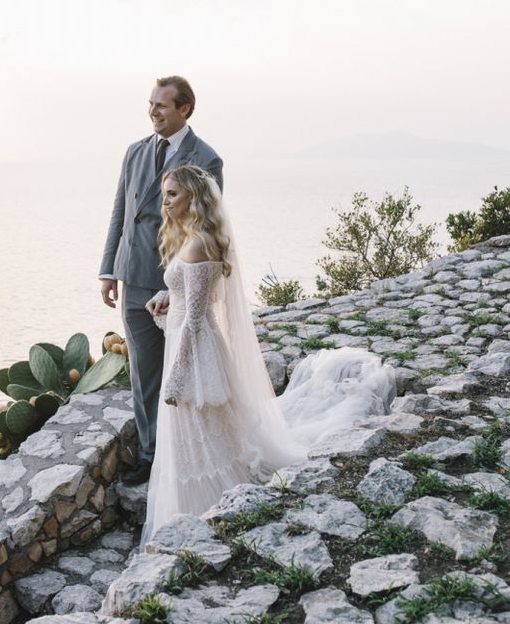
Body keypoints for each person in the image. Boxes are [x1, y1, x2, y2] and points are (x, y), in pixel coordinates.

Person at [141, 165, 397, 545]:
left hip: (192, 351)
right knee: (209, 435)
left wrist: (176, 379)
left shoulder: (197, 245)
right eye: (165, 193)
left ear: (193, 197)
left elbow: (195, 320)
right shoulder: (195, 238)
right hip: (187, 342)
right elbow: (189, 300)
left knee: (197, 435)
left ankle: (202, 511)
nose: (165, 201)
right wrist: (165, 300)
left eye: (173, 193)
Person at [99, 76, 223, 485]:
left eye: (162, 106)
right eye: (150, 104)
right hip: (132, 277)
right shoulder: (134, 152)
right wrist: (108, 269)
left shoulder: (206, 158)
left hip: (177, 285)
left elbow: (205, 228)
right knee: (144, 375)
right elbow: (121, 211)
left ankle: (191, 454)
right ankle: (152, 455)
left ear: (185, 108)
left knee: (186, 371)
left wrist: (175, 287)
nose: (153, 111)